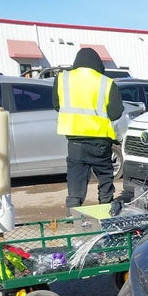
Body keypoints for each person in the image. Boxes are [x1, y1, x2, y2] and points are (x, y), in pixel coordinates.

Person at [53, 47, 123, 210]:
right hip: (100, 141)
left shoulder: (62, 79)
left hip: (75, 140)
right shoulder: (106, 82)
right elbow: (115, 113)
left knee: (75, 176)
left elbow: (57, 105)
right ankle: (106, 209)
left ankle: (73, 212)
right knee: (105, 174)